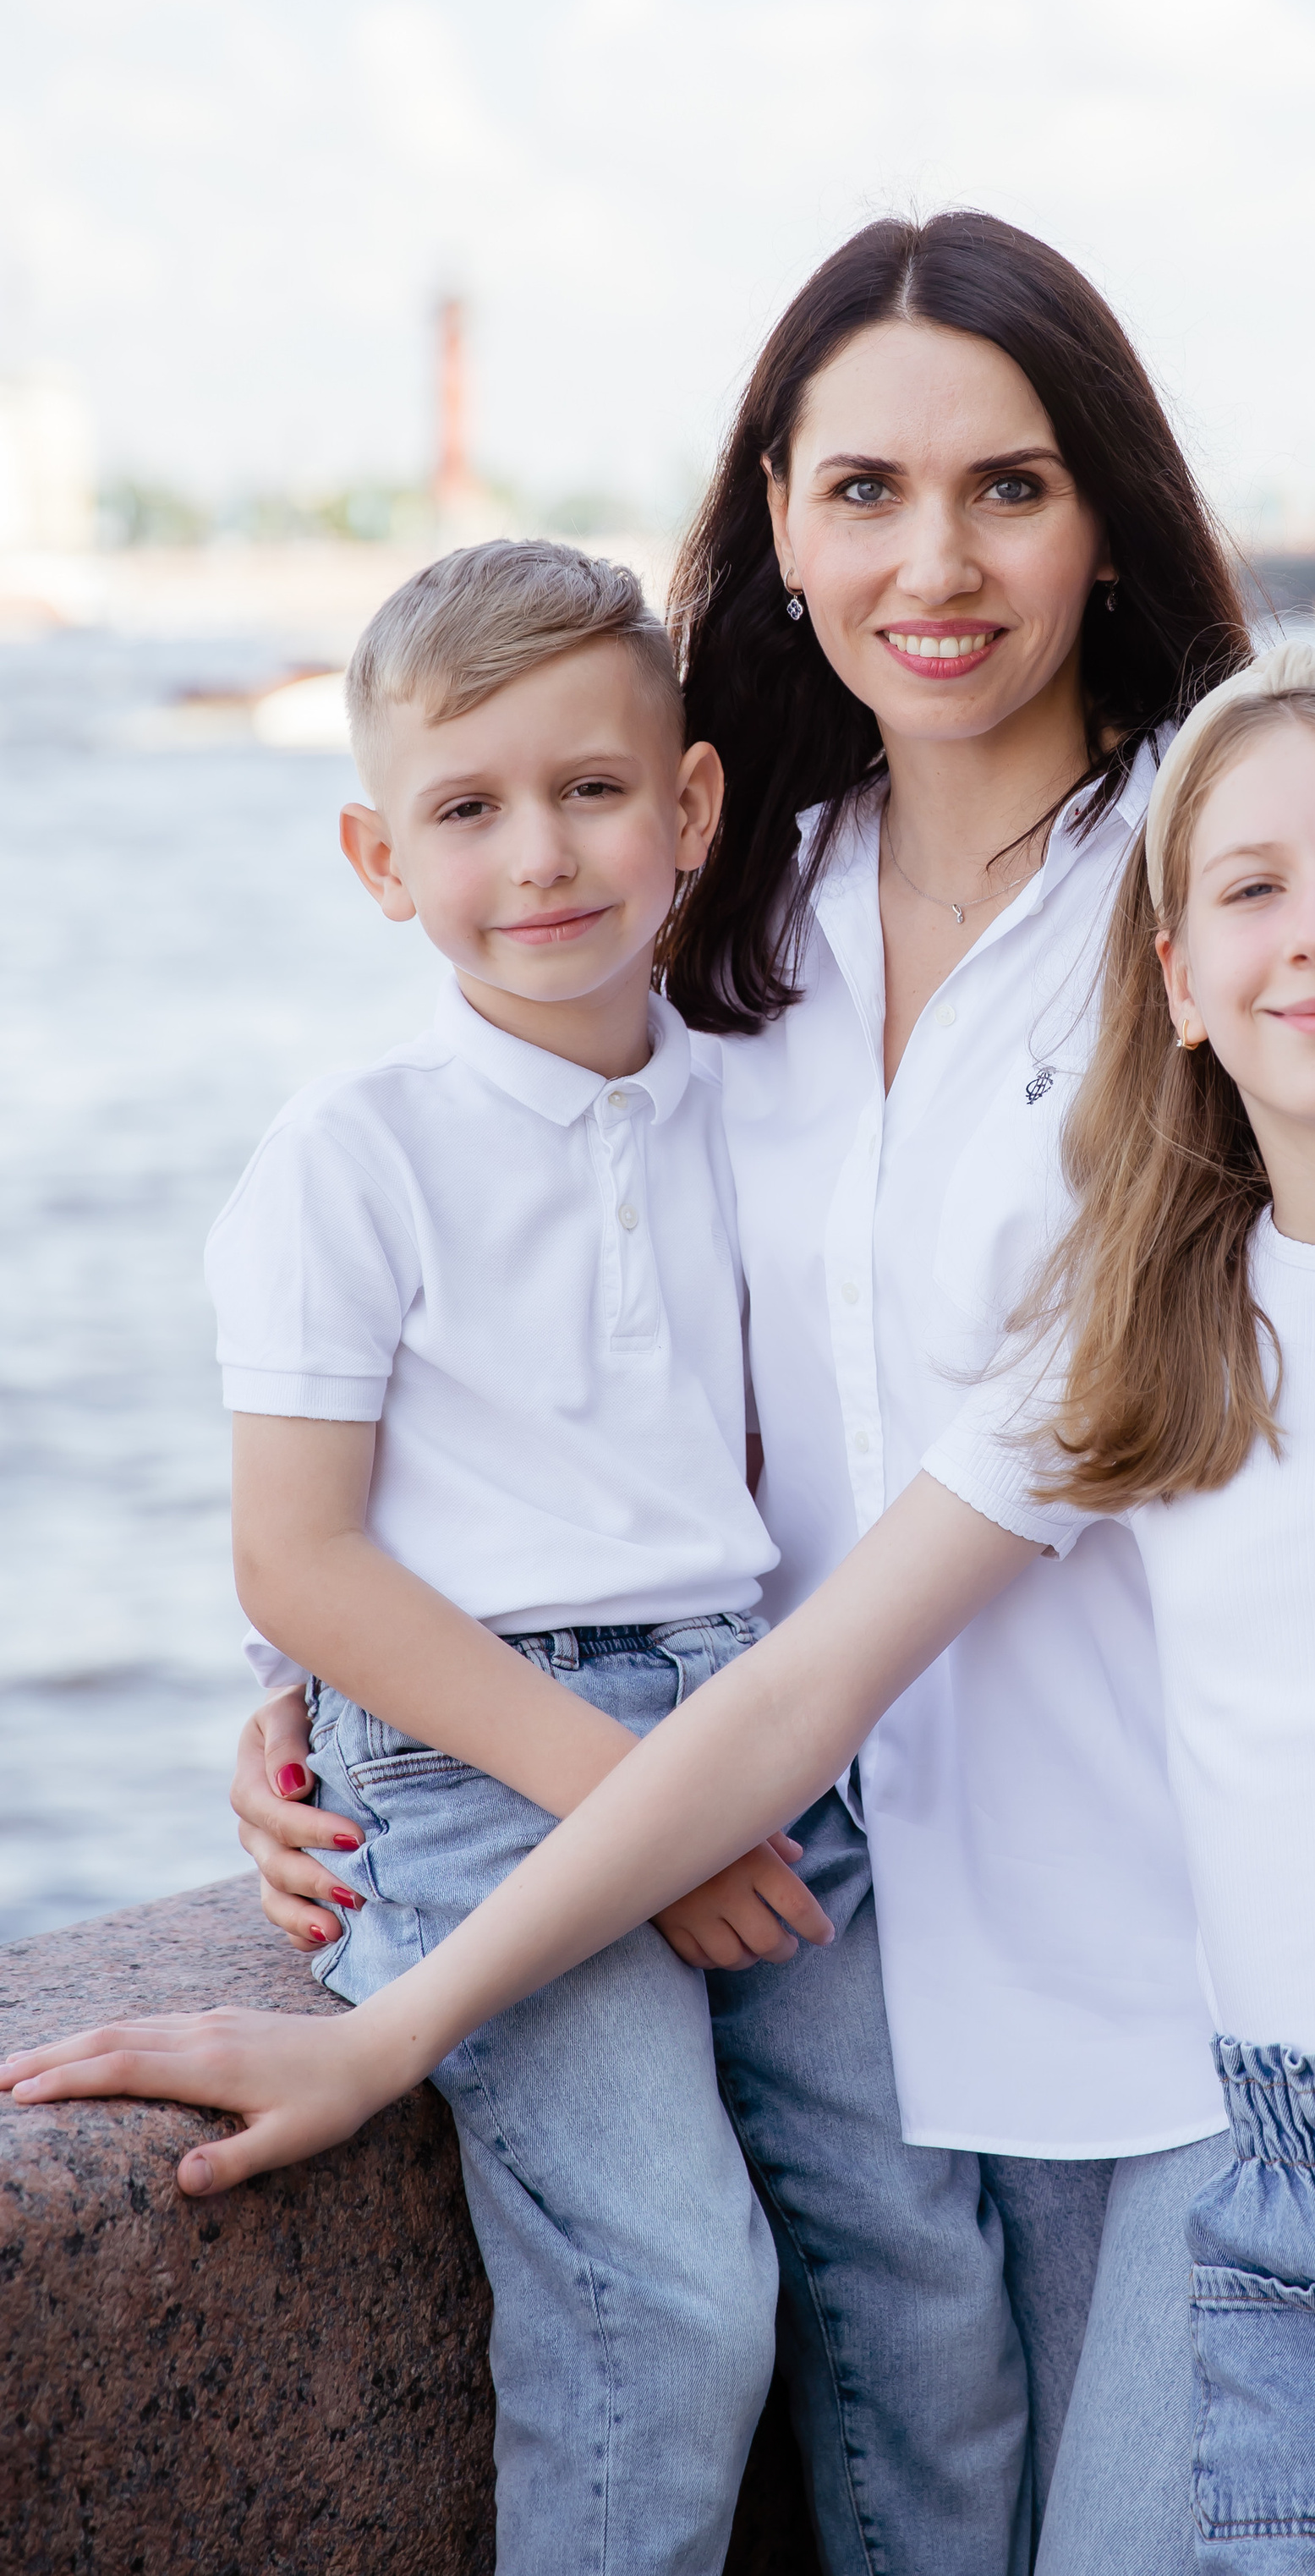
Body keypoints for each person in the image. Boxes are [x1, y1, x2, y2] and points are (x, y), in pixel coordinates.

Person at [16, 645, 1315, 2568]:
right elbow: (781, 1702)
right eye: (1251, 894)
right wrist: (388, 2024)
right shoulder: (1141, 1350)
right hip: (1281, 2222)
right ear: (1177, 985)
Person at [219, 219, 1315, 2572]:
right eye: (865, 490)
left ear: (1106, 512)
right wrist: (335, 1699)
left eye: (1010, 486)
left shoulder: (1229, 891)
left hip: (1219, 1982)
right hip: (817, 1936)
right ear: (775, 526)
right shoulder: (708, 921)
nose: (936, 561)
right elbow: (502, 1359)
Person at [196, 538, 830, 2576]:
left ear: (692, 809)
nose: (540, 855)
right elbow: (300, 1568)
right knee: (673, 2296)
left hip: (748, 1701)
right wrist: (650, 1811)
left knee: (919, 2240)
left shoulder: (753, 1113)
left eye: (590, 789)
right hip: (488, 1769)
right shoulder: (352, 1150)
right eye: (467, 811)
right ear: (383, 861)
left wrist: (708, 1778)